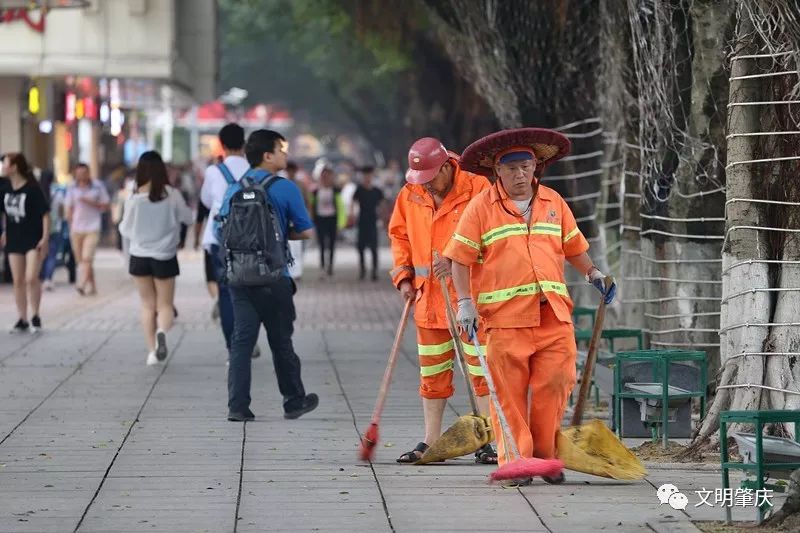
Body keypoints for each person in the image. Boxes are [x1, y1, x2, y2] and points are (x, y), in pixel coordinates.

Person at [443, 127, 617, 484]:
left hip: (553, 315)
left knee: (556, 383)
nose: (520, 175)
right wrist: (465, 304)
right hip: (505, 320)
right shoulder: (481, 208)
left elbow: (573, 247)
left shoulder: (554, 202)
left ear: (535, 166)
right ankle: (517, 462)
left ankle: (545, 458)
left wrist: (593, 273)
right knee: (508, 396)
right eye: (511, 169)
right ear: (497, 172)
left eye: (526, 167)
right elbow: (460, 259)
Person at [388, 137, 496, 464]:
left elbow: (494, 237)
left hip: (470, 298)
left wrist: (460, 257)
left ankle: (487, 439)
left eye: (431, 177)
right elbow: (399, 236)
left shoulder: (478, 188)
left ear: (447, 166)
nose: (426, 185)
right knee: (432, 372)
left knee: (481, 371)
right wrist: (404, 277)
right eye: (420, 179)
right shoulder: (411, 192)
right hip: (428, 299)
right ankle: (431, 441)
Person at [216, 129, 319, 422]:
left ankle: (238, 406)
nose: (285, 154)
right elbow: (306, 231)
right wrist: (280, 235)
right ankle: (294, 401)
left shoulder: (233, 188)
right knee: (281, 340)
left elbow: (220, 230)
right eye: (280, 149)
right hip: (274, 277)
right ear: (267, 156)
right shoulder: (285, 188)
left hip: (239, 277)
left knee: (241, 341)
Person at [119, 151, 193, 366]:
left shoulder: (134, 198)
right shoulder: (172, 194)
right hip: (165, 256)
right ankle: (162, 330)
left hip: (139, 256)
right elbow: (188, 218)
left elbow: (124, 229)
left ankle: (152, 352)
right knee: (165, 305)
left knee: (147, 305)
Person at [200, 123, 260, 359]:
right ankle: (249, 341)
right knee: (252, 291)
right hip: (251, 238)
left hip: (220, 239)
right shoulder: (255, 170)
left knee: (226, 293)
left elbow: (206, 201)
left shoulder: (214, 172)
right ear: (244, 144)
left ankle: (232, 349)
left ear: (222, 145)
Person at [0, 153, 50, 333]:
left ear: (14, 167)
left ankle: (35, 315)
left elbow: (45, 214)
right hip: (14, 238)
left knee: (31, 277)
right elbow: (6, 213)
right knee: (17, 280)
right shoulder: (4, 188)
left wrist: (45, 238)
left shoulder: (32, 189)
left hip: (33, 238)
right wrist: (5, 231)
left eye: (4, 163)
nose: (2, 167)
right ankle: (22, 318)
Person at [65, 163, 110, 296]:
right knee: (82, 261)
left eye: (84, 173)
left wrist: (90, 202)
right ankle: (93, 285)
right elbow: (69, 208)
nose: (81, 176)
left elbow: (106, 205)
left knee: (87, 257)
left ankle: (82, 284)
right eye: (79, 173)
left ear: (89, 173)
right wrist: (70, 224)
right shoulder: (71, 187)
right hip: (76, 228)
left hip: (93, 227)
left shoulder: (98, 186)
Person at [40, 172, 76, 290]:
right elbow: (62, 213)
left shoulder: (38, 192)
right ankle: (48, 278)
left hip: (40, 229)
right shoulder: (57, 193)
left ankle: (41, 277)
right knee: (52, 255)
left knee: (41, 254)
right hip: (55, 228)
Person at [350, 166, 385, 281]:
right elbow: (353, 202)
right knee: (360, 246)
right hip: (362, 221)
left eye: (369, 175)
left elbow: (382, 205)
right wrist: (352, 215)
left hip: (373, 221)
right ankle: (362, 269)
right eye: (365, 175)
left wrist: (382, 218)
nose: (367, 178)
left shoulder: (377, 191)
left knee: (374, 247)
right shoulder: (359, 190)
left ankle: (374, 270)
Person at [310, 165, 346, 277]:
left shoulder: (335, 191)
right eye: (324, 176)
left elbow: (341, 207)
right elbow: (311, 205)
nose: (326, 178)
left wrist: (340, 223)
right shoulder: (316, 191)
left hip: (332, 219)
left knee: (331, 244)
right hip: (320, 219)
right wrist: (311, 220)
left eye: (328, 176)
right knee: (321, 243)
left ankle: (330, 266)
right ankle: (322, 265)